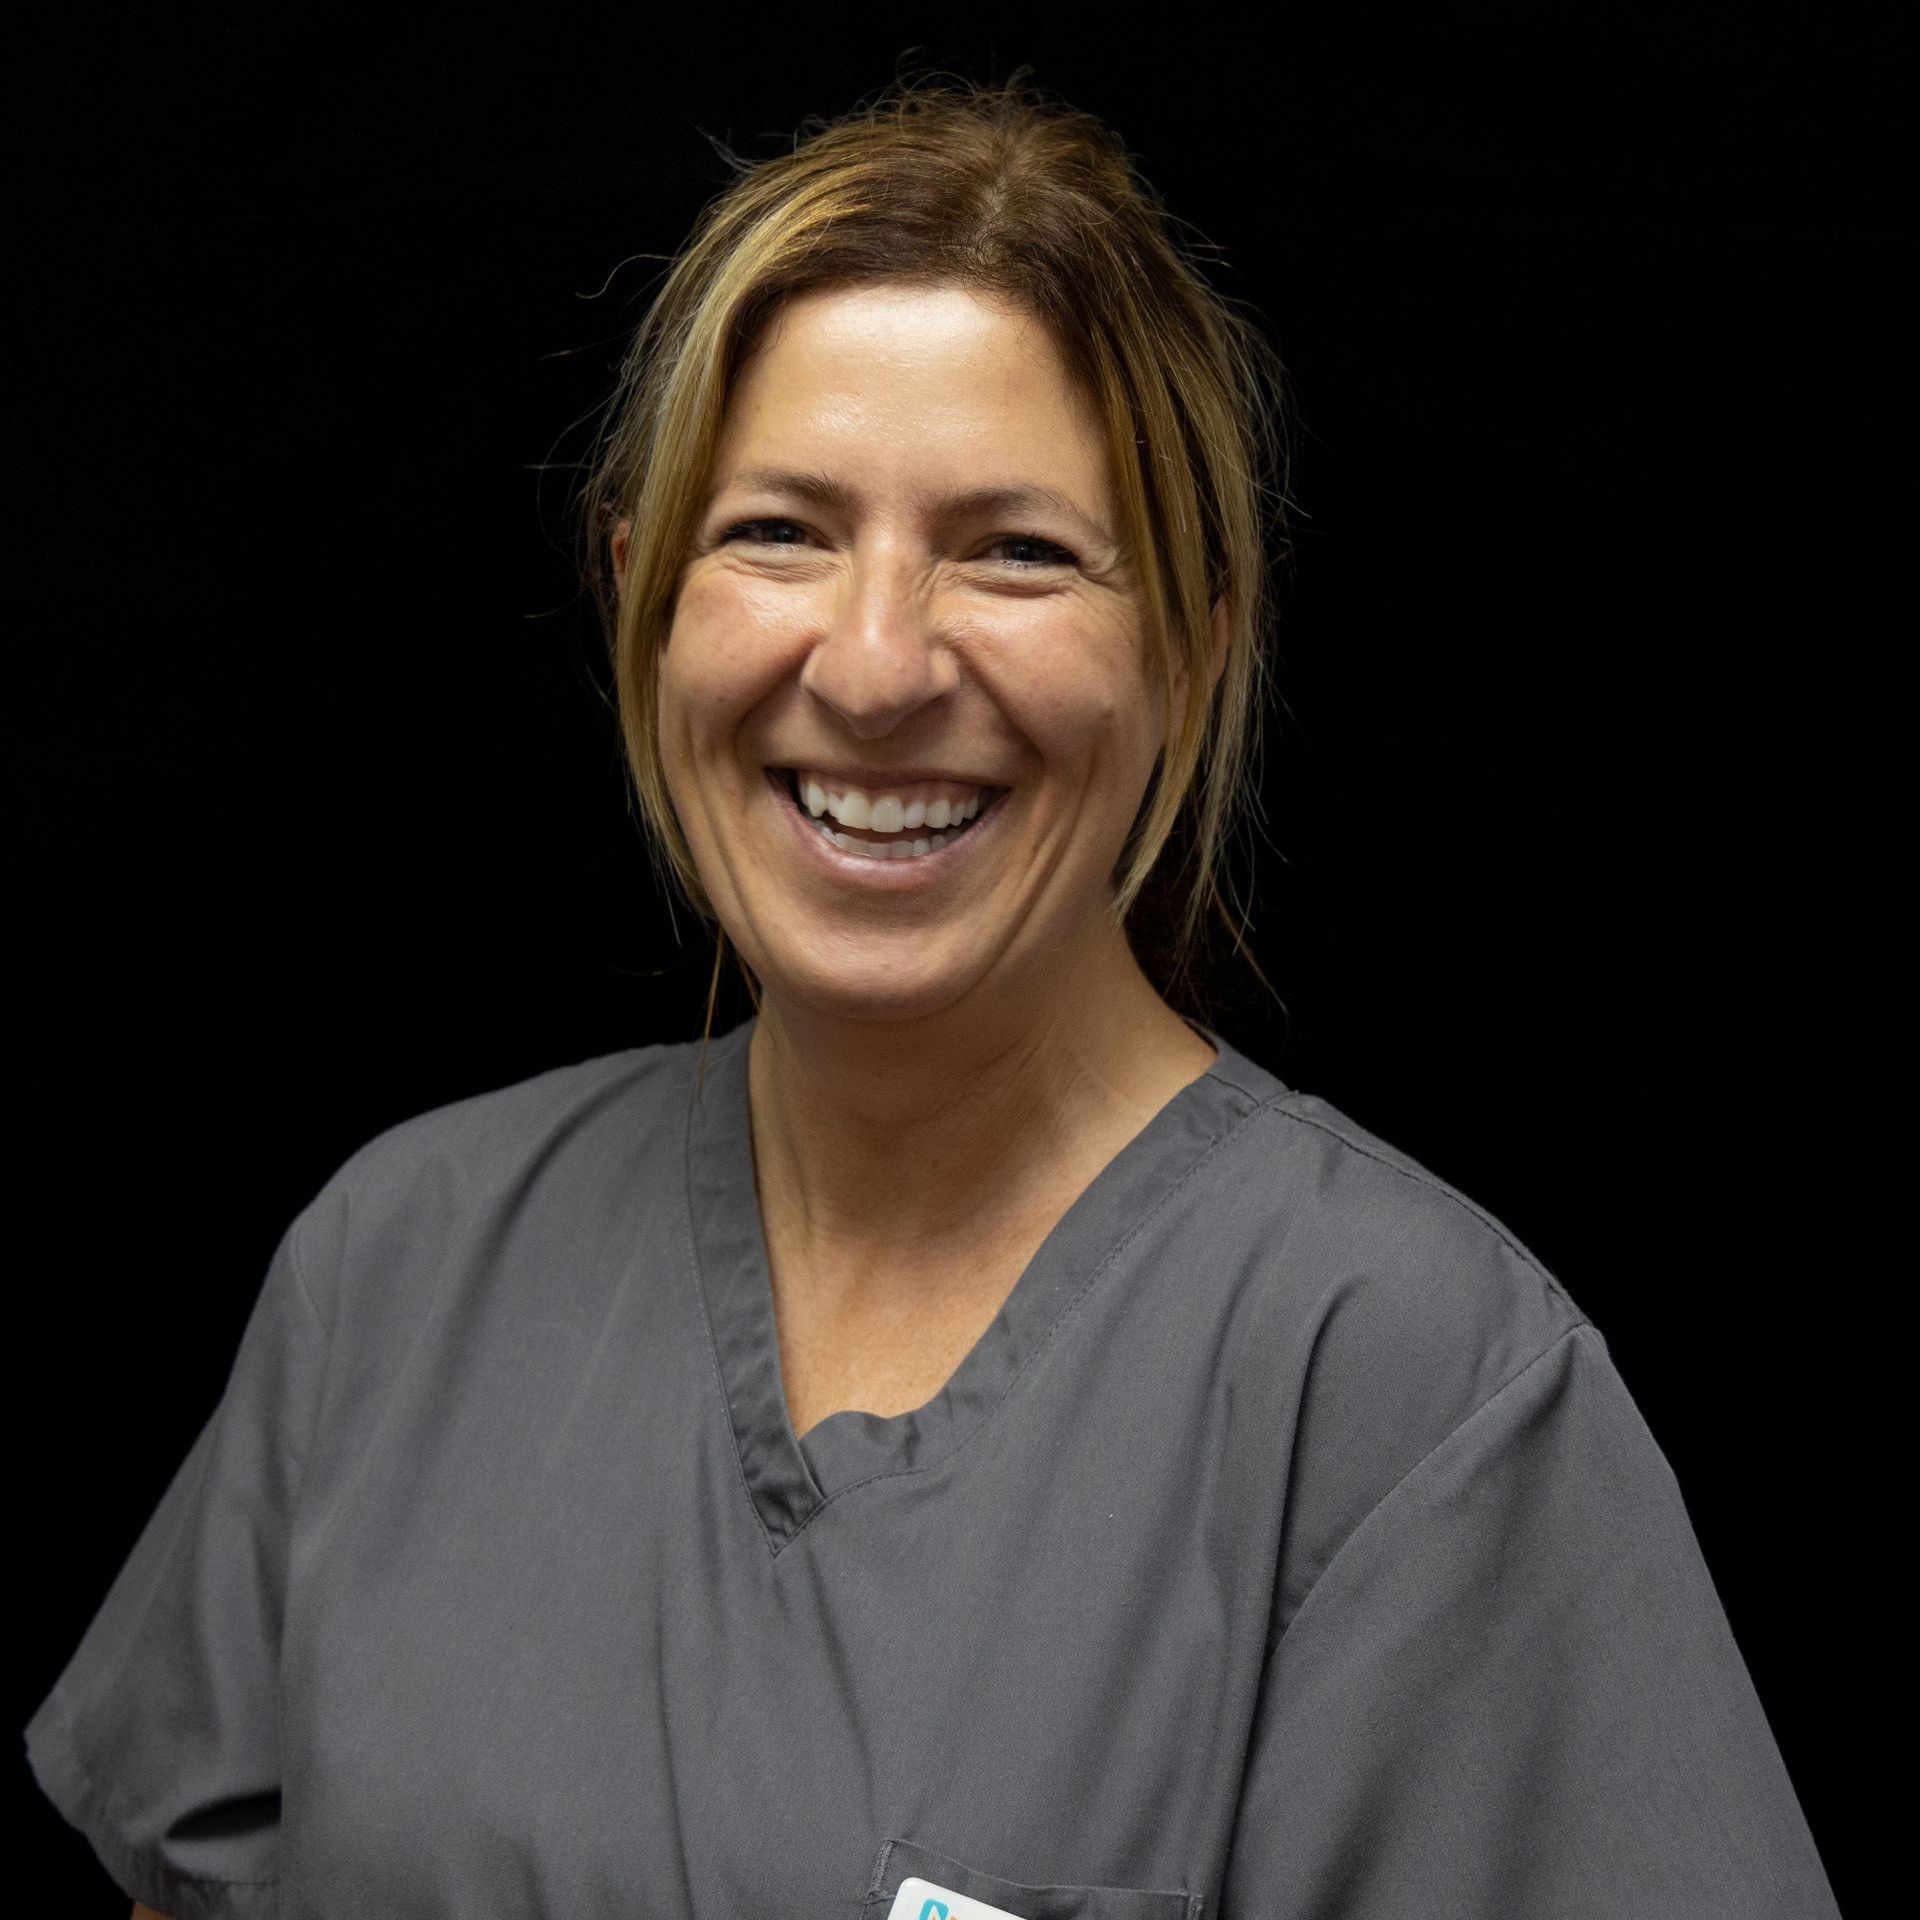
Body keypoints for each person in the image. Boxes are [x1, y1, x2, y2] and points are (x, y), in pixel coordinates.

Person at [28, 76, 1839, 1920]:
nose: (878, 665)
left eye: (1017, 550)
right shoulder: (400, 1271)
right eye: (779, 533)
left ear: (1194, 650)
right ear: (642, 597)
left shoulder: (1402, 1391)